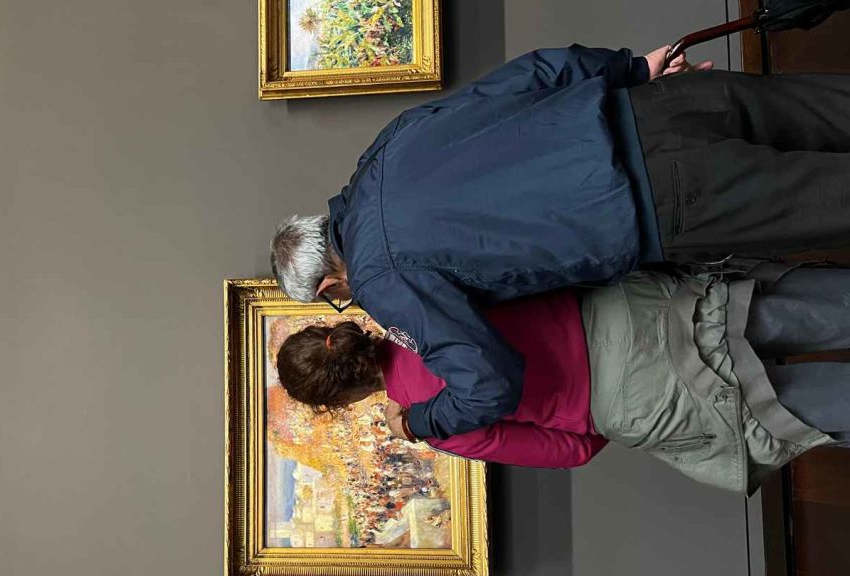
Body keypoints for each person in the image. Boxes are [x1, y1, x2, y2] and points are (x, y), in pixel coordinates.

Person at [269, 43, 850, 444]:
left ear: (327, 284)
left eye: (335, 298)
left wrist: (421, 423)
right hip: (653, 105)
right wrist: (632, 68)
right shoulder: (383, 150)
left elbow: (489, 383)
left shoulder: (382, 282)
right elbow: (528, 75)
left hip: (665, 202)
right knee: (835, 107)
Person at [273, 268, 850, 494]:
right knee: (796, 311)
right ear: (335, 330)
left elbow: (570, 451)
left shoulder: (435, 422)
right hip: (626, 309)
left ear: (344, 399)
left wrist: (591, 405)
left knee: (801, 405)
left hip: (635, 398)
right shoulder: (416, 302)